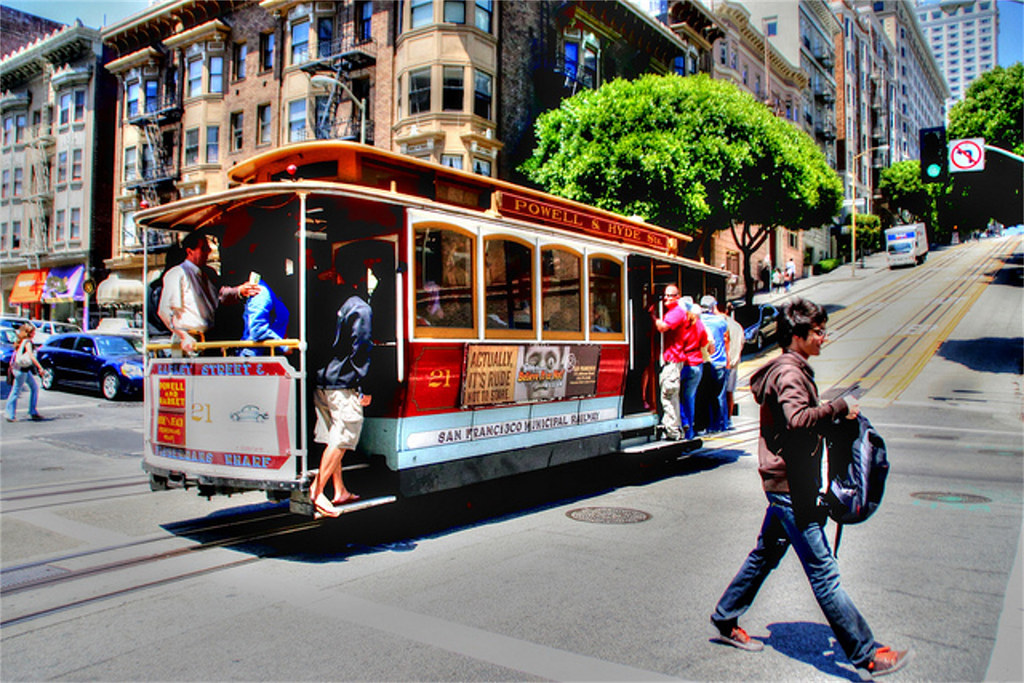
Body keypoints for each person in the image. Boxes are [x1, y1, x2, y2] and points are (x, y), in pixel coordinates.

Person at [709, 298, 913, 679]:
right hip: (791, 488)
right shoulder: (789, 374)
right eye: (818, 332)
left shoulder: (790, 369)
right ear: (798, 336)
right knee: (824, 573)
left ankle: (724, 618)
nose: (824, 337)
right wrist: (837, 407)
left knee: (765, 554)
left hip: (785, 482)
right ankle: (867, 654)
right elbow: (798, 419)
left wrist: (836, 411)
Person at [309, 246, 374, 518]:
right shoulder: (360, 307)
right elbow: (361, 348)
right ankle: (316, 491)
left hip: (321, 379)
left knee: (332, 436)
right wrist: (365, 386)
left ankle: (340, 490)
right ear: (363, 274)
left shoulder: (326, 298)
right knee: (345, 433)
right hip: (342, 384)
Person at [157, 230, 259, 354]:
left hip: (209, 339)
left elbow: (220, 295)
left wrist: (240, 291)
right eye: (203, 249)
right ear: (190, 251)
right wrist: (183, 336)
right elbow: (164, 311)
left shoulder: (208, 274)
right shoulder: (177, 274)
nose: (208, 252)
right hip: (189, 340)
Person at [652, 286, 705, 440]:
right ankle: (688, 429)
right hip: (695, 363)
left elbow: (663, 327)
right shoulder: (698, 324)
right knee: (686, 398)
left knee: (672, 396)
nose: (666, 298)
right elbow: (706, 343)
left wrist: (653, 316)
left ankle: (678, 429)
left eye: (670, 296)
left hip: (680, 361)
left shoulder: (675, 314)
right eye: (665, 295)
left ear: (678, 298)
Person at [699, 295, 730, 433]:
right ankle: (721, 424)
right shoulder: (720, 321)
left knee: (706, 395)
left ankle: (708, 424)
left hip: (705, 362)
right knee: (719, 396)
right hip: (719, 363)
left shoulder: (698, 320)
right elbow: (725, 331)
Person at [239, 279, 290, 356]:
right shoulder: (262, 292)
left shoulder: (270, 291)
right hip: (256, 358)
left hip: (267, 354)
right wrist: (284, 346)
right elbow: (257, 329)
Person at [5, 323, 44, 422]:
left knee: (34, 387)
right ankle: (10, 415)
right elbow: (31, 356)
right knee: (16, 391)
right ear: (28, 333)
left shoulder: (21, 341)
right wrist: (40, 367)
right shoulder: (27, 342)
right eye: (33, 332)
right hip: (21, 370)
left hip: (20, 369)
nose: (34, 334)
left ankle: (32, 411)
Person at [723, 302, 745, 428]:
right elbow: (742, 343)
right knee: (730, 392)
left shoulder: (724, 324)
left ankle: (723, 419)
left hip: (726, 363)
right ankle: (729, 418)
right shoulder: (738, 326)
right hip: (735, 363)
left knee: (721, 394)